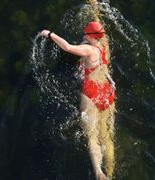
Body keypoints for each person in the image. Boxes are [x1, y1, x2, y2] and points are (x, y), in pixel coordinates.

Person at [40, 21, 116, 180]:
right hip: (107, 90)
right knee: (106, 135)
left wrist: (49, 34)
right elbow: (98, 26)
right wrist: (94, 5)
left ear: (90, 35)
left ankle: (99, 173)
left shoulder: (88, 50)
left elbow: (67, 47)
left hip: (91, 91)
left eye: (86, 32)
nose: (84, 33)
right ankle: (110, 172)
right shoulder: (105, 44)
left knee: (92, 135)